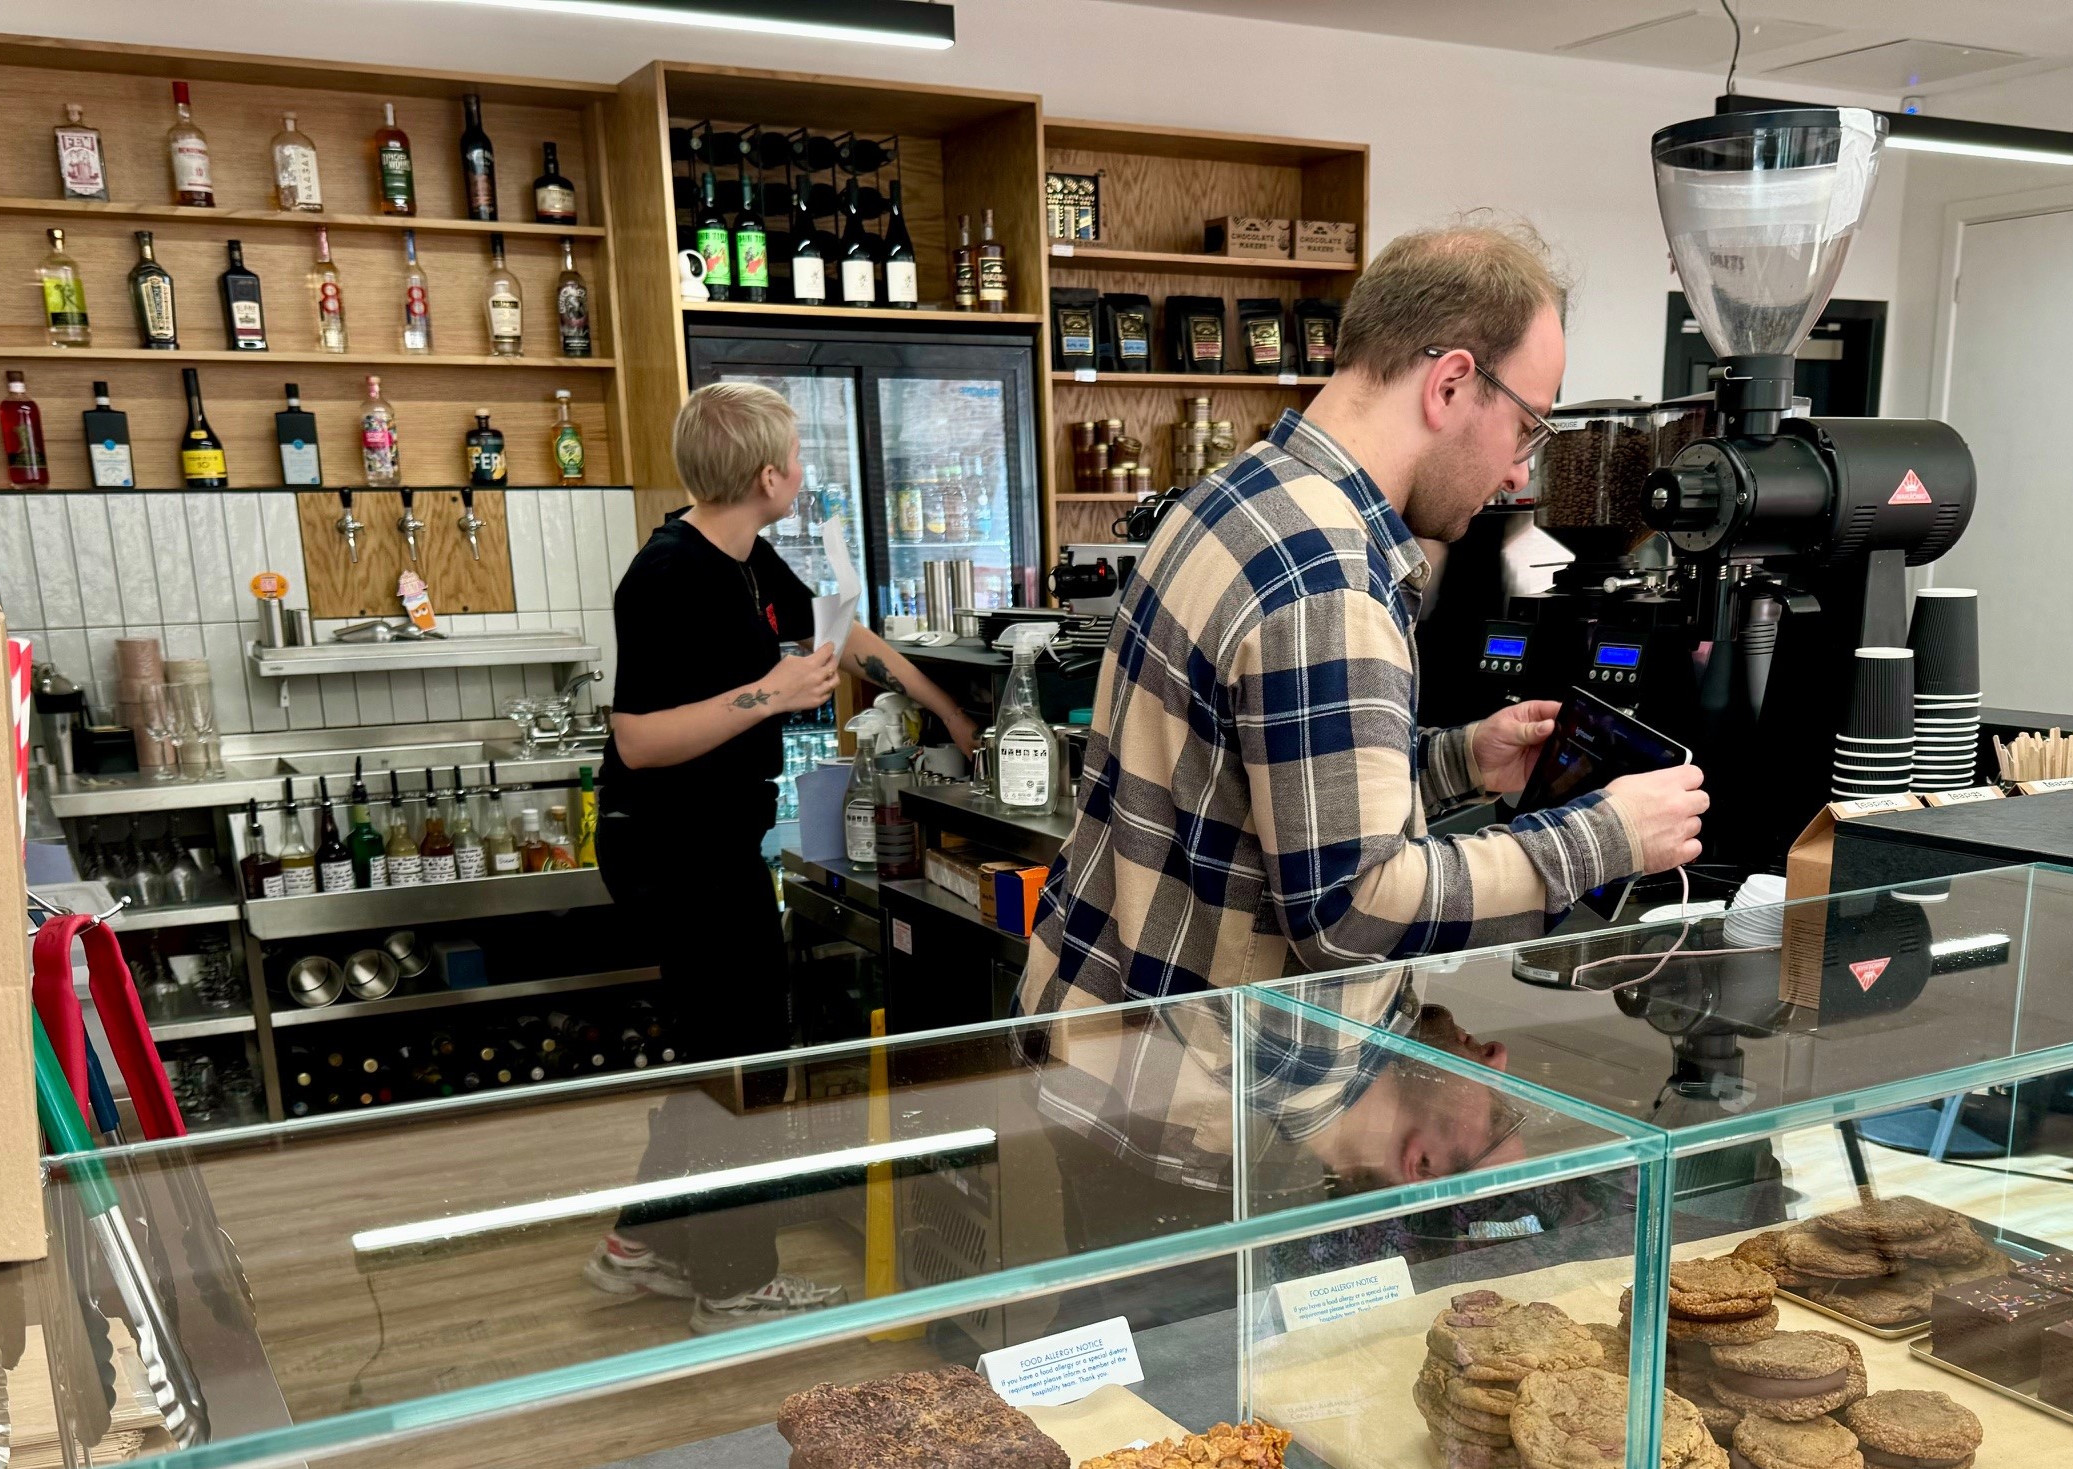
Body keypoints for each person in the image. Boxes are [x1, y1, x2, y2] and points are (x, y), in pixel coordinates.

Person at [1021, 217, 1708, 1019]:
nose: (1521, 469)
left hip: (1103, 1030)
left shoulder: (1239, 491)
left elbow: (1276, 788)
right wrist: (1605, 839)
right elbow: (1351, 910)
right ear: (1449, 384)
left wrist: (1460, 762)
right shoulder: (1329, 580)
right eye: (1527, 427)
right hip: (1186, 1105)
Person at [586, 380, 976, 1318]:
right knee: (744, 1058)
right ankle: (730, 1279)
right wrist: (767, 695)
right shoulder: (667, 574)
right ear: (770, 475)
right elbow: (638, 739)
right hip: (668, 846)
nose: (803, 470)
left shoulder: (751, 559)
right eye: (798, 457)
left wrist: (948, 709)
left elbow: (840, 636)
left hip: (717, 835)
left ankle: (641, 1238)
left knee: (721, 1051)